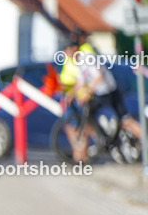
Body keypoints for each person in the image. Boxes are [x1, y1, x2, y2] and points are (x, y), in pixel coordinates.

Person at [59, 32, 142, 162]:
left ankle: (143, 140)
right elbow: (81, 81)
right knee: (86, 115)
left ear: (74, 48)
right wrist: (71, 94)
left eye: (67, 50)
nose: (65, 53)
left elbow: (98, 77)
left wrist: (87, 91)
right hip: (100, 93)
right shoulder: (79, 60)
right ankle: (101, 140)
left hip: (109, 92)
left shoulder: (88, 57)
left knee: (125, 120)